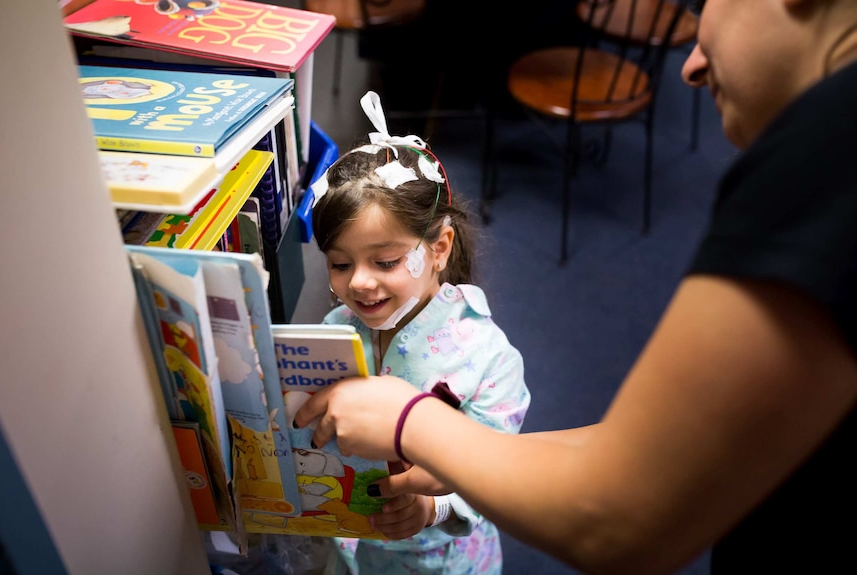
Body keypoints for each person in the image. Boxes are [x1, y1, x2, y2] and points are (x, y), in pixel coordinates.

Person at [296, 1, 857, 573]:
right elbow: (658, 454)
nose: (689, 68)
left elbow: (617, 516)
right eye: (340, 265)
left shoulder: (829, 159)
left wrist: (409, 421)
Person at [307, 91, 531, 574]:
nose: (359, 282)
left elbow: (500, 478)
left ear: (439, 248)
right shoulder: (334, 331)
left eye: (385, 262)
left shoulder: (488, 360)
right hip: (354, 552)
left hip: (440, 563)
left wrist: (436, 507)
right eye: (340, 264)